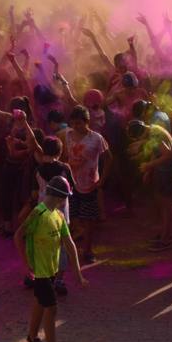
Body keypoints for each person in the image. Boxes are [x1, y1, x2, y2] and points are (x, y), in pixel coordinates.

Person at [16, 175, 86, 342]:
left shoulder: (58, 216)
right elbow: (18, 236)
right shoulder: (38, 214)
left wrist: (78, 274)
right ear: (61, 197)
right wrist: (25, 265)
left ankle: (32, 335)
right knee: (51, 308)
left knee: (40, 301)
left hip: (51, 270)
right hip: (40, 272)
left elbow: (70, 244)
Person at [64, 106, 110, 264]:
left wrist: (102, 180)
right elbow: (65, 155)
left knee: (89, 220)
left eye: (79, 123)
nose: (76, 126)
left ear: (87, 122)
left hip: (90, 184)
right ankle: (75, 249)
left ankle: (88, 250)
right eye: (73, 123)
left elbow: (109, 159)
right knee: (73, 218)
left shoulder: (96, 138)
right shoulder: (68, 135)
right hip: (72, 183)